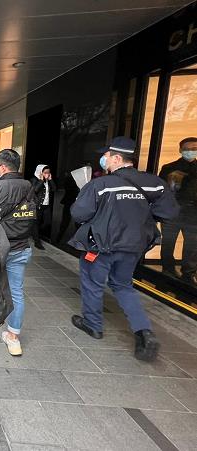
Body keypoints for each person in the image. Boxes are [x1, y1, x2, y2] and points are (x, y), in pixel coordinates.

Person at [69, 137, 179, 361]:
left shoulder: (100, 184)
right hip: (133, 246)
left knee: (92, 284)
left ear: (117, 158)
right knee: (123, 285)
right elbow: (169, 213)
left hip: (101, 246)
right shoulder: (155, 183)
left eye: (106, 156)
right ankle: (144, 332)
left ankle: (93, 324)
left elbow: (79, 213)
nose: (104, 160)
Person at [0, 149, 34, 356]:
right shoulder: (28, 186)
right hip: (21, 247)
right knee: (16, 292)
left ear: (2, 167)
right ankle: (13, 338)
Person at [159, 137, 197, 283]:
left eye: (194, 149)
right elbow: (161, 190)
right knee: (168, 243)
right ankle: (168, 270)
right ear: (181, 150)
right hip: (172, 211)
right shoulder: (169, 168)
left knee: (192, 244)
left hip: (193, 213)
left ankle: (189, 273)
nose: (191, 151)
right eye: (187, 149)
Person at [31, 164, 56, 250]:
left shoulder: (48, 181)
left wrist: (51, 180)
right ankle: (37, 242)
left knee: (47, 222)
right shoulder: (34, 180)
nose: (47, 174)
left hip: (46, 205)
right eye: (45, 172)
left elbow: (54, 189)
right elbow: (35, 190)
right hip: (38, 205)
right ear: (40, 172)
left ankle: (34, 232)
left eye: (48, 172)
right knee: (36, 223)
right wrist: (41, 180)